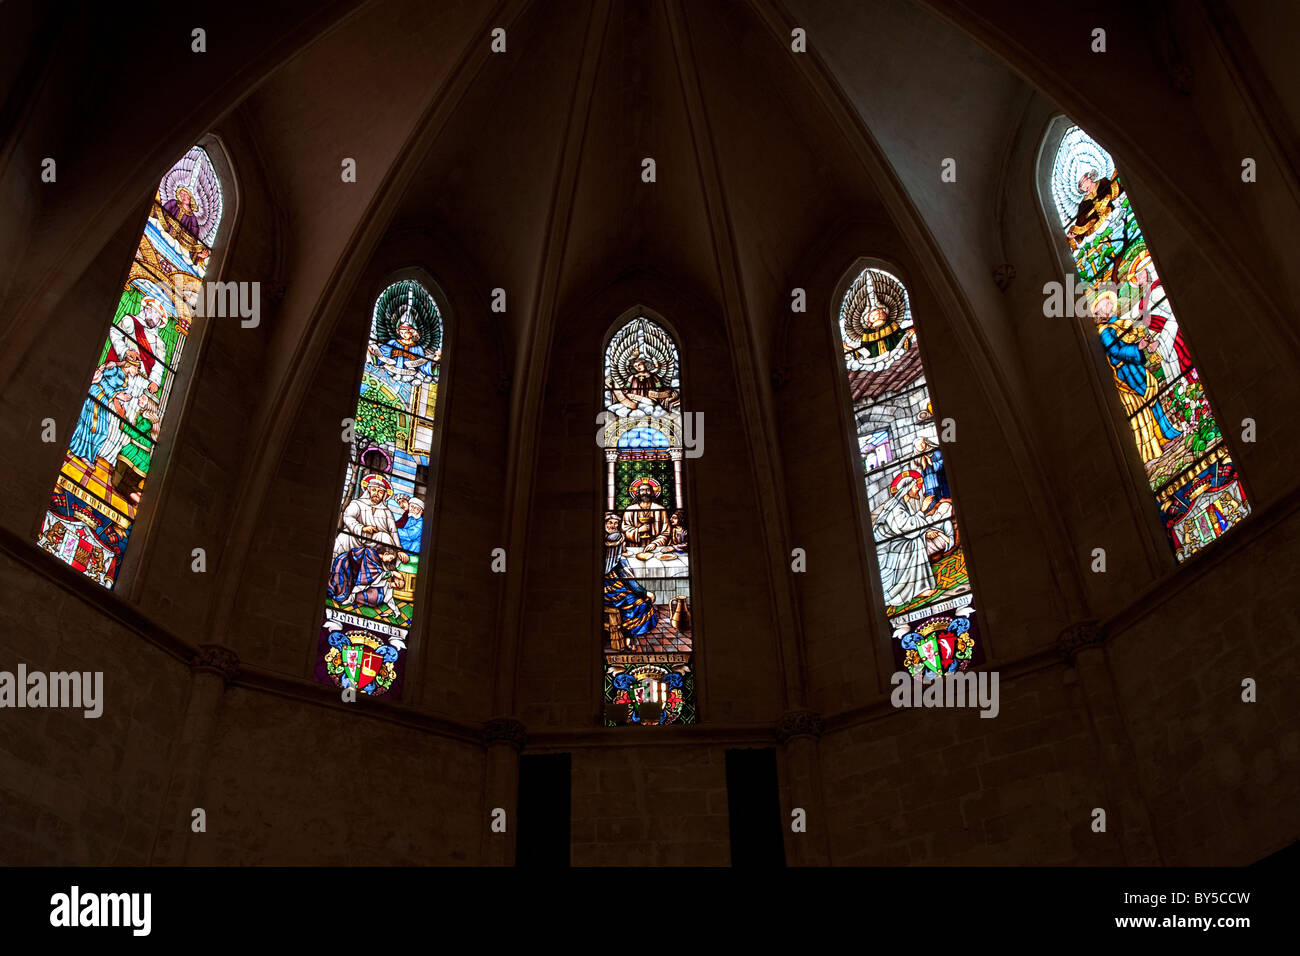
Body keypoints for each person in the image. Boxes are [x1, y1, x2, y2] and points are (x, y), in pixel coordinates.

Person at [872, 470, 942, 608]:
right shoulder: (895, 509)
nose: (918, 489)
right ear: (906, 489)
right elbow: (909, 528)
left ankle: (919, 586)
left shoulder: (904, 505)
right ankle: (917, 588)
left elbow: (909, 528)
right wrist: (922, 509)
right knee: (915, 542)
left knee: (917, 538)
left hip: (896, 542)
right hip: (887, 549)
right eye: (916, 486)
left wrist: (925, 531)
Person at [602, 512, 658, 642]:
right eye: (610, 522)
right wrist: (645, 593)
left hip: (611, 589)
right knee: (642, 603)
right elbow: (628, 580)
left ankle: (627, 633)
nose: (613, 525)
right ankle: (628, 633)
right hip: (609, 593)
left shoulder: (609, 548)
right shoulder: (618, 559)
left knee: (630, 598)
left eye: (616, 523)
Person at [333, 474, 402, 554]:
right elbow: (348, 517)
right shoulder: (357, 503)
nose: (376, 493)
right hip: (356, 536)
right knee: (344, 536)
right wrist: (362, 528)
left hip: (375, 540)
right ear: (368, 490)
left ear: (384, 495)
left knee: (385, 537)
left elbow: (393, 531)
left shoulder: (387, 512)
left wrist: (399, 550)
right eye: (373, 490)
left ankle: (386, 564)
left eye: (380, 492)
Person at [1066, 167, 1123, 249]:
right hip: (1098, 231)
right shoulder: (1083, 204)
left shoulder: (1103, 182)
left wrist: (1105, 202)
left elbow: (1115, 192)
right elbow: (1080, 223)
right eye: (1081, 187)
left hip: (1116, 216)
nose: (1084, 187)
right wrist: (1074, 235)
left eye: (1084, 182)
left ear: (1089, 178)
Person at [369, 320, 438, 385]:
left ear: (412, 333)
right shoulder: (393, 342)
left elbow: (423, 365)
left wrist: (433, 362)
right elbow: (382, 355)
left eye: (406, 333)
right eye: (401, 333)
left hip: (409, 378)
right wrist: (374, 351)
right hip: (389, 375)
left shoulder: (418, 349)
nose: (403, 335)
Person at [621, 478, 670, 551]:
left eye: (648, 490)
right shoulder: (630, 510)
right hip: (634, 547)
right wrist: (639, 530)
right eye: (642, 490)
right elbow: (624, 530)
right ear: (638, 492)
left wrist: (655, 543)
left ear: (652, 492)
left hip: (656, 548)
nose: (645, 492)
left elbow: (666, 532)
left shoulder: (660, 509)